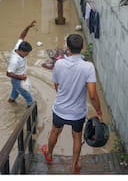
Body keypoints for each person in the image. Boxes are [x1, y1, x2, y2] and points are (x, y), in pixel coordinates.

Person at [41, 33, 103, 174]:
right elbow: (92, 95)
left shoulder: (59, 63)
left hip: (60, 109)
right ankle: (74, 165)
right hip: (77, 113)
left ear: (68, 48)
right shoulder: (88, 67)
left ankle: (49, 154)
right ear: (82, 48)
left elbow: (57, 86)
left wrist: (65, 97)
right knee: (77, 137)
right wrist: (99, 112)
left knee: (55, 132)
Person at [6, 20, 37, 106]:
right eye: (26, 53)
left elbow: (22, 36)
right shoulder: (15, 61)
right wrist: (19, 76)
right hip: (18, 80)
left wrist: (28, 27)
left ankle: (11, 102)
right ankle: (31, 109)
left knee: (14, 93)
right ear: (21, 50)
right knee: (29, 98)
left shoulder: (18, 46)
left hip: (18, 79)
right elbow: (8, 73)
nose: (27, 54)